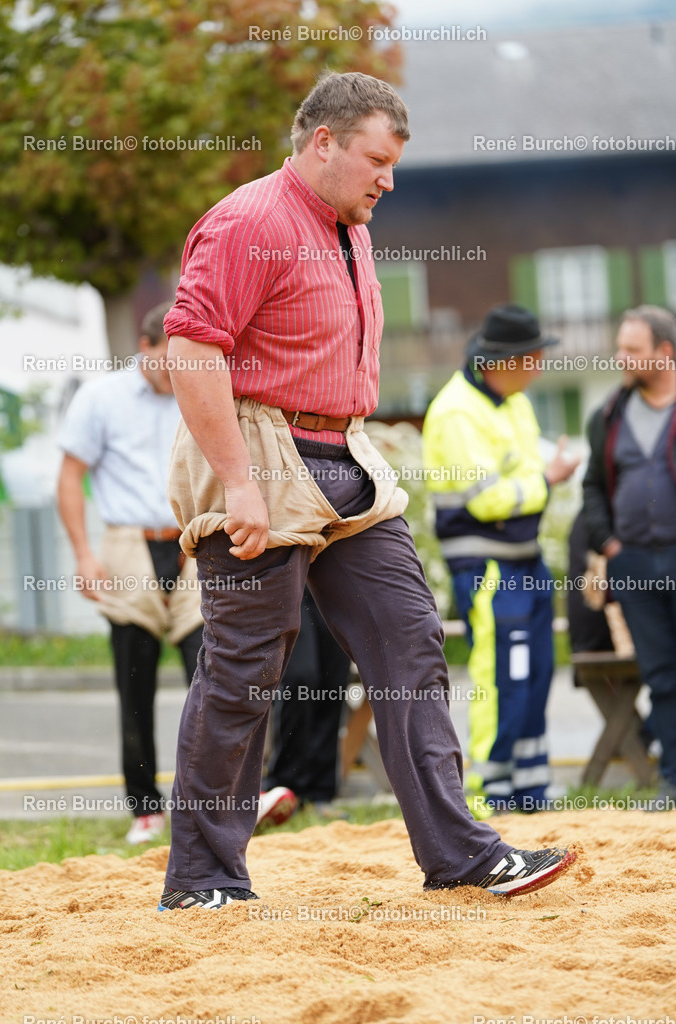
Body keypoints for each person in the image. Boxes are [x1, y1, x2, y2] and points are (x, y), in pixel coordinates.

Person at [157, 72, 577, 911]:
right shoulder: (248, 222)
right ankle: (202, 879)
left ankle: (459, 852)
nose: (388, 180)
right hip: (259, 446)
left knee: (410, 642)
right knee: (244, 668)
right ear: (323, 143)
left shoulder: (349, 224)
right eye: (376, 161)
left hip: (342, 451)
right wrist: (237, 481)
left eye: (393, 165)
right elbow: (192, 350)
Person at [422, 305, 579, 814]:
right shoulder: (457, 411)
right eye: (533, 358)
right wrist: (546, 481)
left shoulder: (514, 403)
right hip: (486, 568)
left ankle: (530, 790)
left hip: (526, 559)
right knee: (497, 676)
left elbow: (522, 478)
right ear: (503, 361)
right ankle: (488, 795)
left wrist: (536, 481)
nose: (538, 368)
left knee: (535, 672)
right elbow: (487, 499)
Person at [57, 303, 204, 844]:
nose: (177, 370)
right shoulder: (101, 398)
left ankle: (215, 801)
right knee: (134, 683)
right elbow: (70, 477)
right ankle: (145, 807)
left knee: (212, 679)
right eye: (169, 360)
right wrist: (82, 555)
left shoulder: (201, 387)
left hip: (193, 545)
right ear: (145, 348)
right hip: (127, 545)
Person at [583, 305, 676, 806]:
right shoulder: (610, 415)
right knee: (660, 675)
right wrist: (609, 543)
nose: (622, 357)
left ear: (664, 352)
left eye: (632, 350)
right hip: (635, 563)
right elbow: (593, 487)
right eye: (621, 347)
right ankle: (672, 783)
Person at [263, 587, 350, 818]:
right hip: (289, 574)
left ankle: (320, 794)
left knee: (333, 684)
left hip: (334, 575)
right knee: (300, 679)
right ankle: (284, 788)